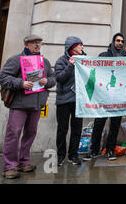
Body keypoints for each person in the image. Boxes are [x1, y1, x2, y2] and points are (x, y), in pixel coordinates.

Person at [0, 35, 56, 179]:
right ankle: (9, 167)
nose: (37, 45)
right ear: (26, 44)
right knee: (13, 134)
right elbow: (3, 77)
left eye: (39, 43)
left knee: (30, 133)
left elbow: (53, 79)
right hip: (19, 104)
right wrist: (20, 83)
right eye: (34, 43)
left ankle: (23, 162)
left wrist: (47, 81)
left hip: (36, 105)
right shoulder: (16, 59)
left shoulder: (45, 62)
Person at [83, 33, 126, 162]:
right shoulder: (104, 56)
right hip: (103, 95)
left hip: (118, 96)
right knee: (99, 124)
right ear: (113, 41)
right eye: (117, 40)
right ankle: (93, 150)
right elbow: (96, 72)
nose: (120, 43)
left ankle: (110, 150)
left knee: (115, 125)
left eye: (122, 41)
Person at [55, 36, 86, 166]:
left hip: (78, 101)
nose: (82, 47)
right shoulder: (61, 61)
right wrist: (70, 65)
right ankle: (61, 155)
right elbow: (59, 78)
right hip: (63, 101)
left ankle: (73, 155)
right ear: (72, 47)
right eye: (80, 45)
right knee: (62, 129)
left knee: (77, 129)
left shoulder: (85, 60)